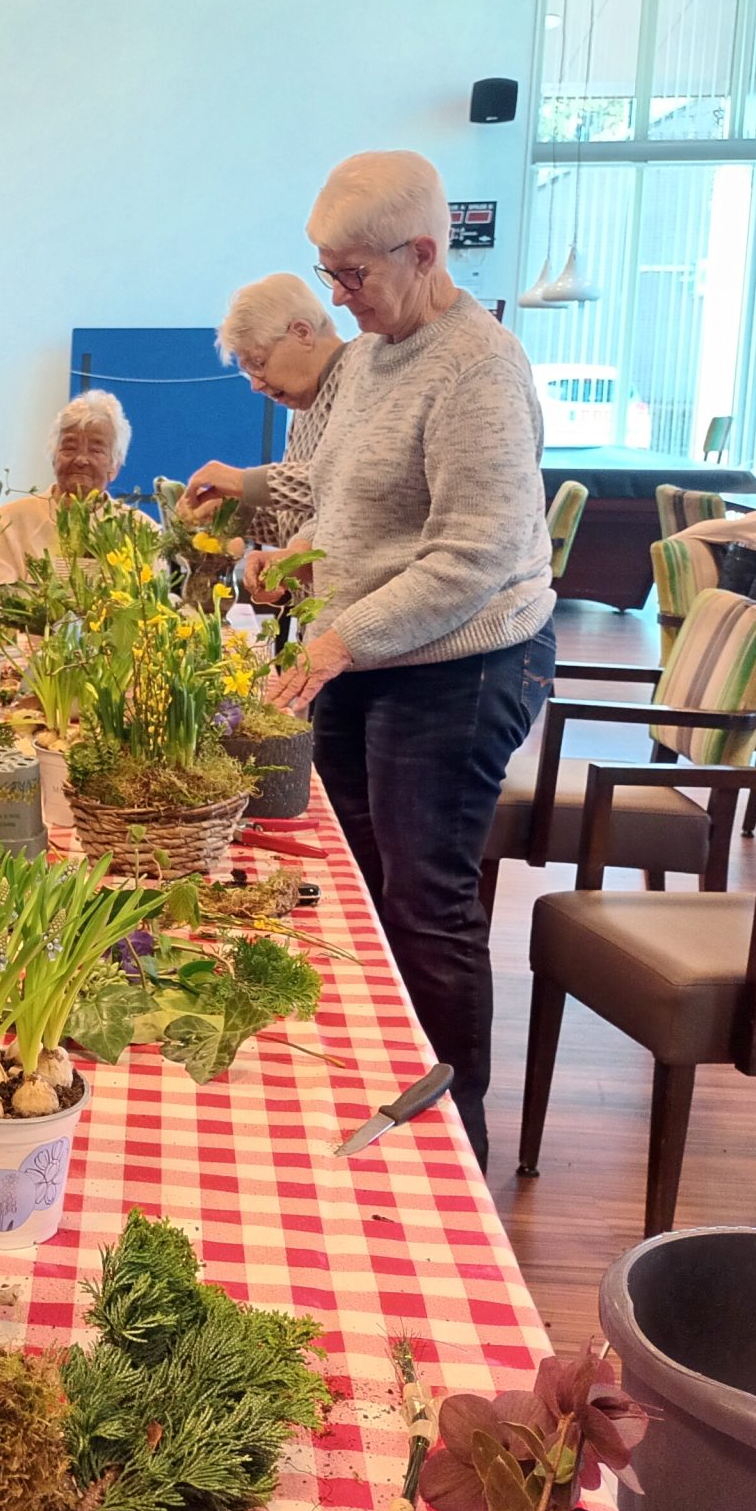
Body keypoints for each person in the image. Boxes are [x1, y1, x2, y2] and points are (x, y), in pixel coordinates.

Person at [261, 152, 556, 1167]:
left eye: (353, 274)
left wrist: (341, 636)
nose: (338, 297)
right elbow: (339, 501)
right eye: (328, 272)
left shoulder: (479, 369)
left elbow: (472, 556)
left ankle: (451, 1136)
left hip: (461, 666)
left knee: (424, 899)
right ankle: (376, 1084)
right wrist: (292, 550)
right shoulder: (367, 359)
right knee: (359, 878)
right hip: (367, 655)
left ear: (423, 253)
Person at [184, 273, 349, 552]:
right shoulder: (306, 403)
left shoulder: (365, 381)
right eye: (248, 371)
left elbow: (349, 482)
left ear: (302, 333)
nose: (256, 385)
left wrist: (242, 481)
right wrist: (231, 509)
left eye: (258, 363)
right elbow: (292, 523)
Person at [0, 389, 134, 584]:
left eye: (96, 450)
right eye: (69, 448)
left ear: (115, 466)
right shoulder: (8, 522)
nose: (81, 459)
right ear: (54, 457)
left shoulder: (138, 529)